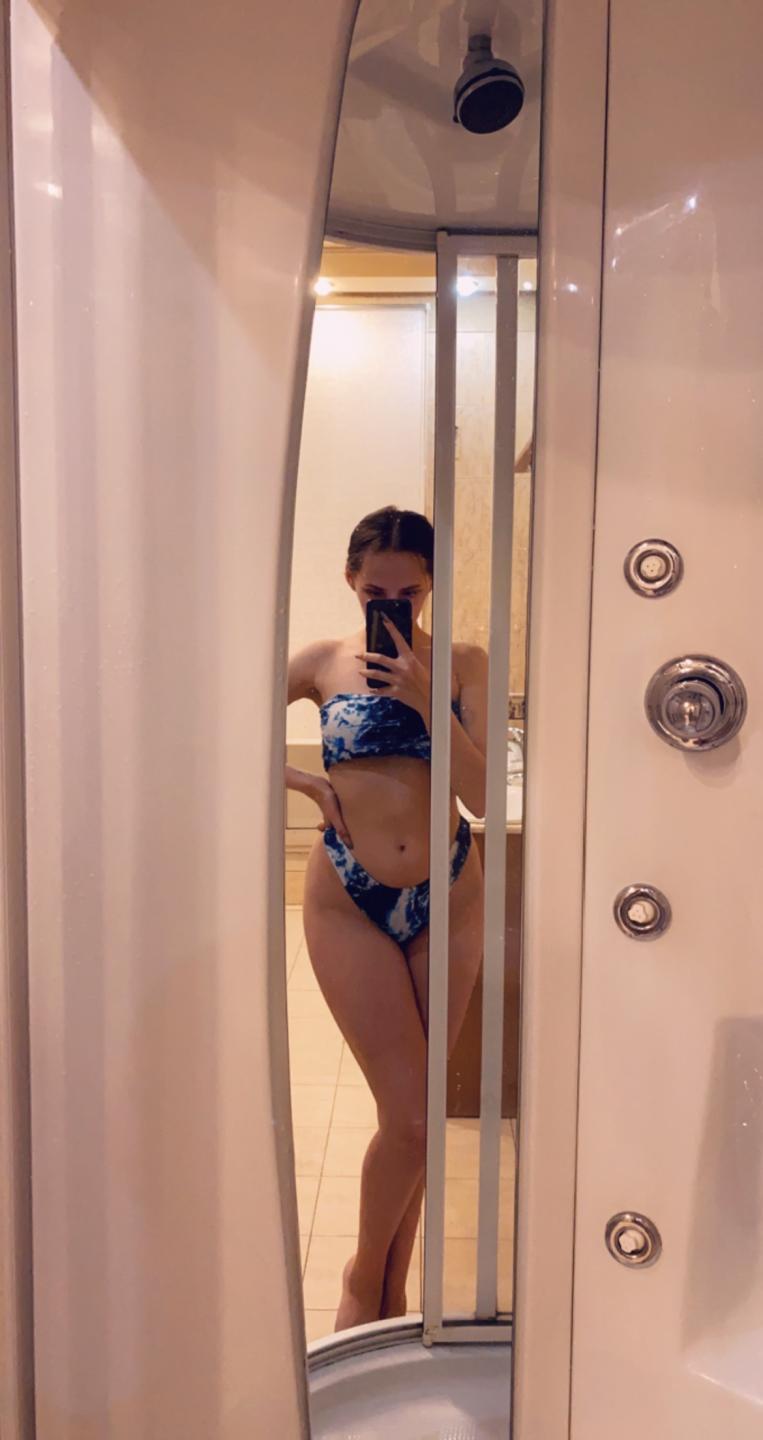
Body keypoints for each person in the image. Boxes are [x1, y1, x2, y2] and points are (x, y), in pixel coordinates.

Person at [286, 506, 487, 1330]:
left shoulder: (463, 664)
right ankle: (363, 1278)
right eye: (376, 593)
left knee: (419, 1119)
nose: (391, 606)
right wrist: (302, 783)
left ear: (430, 586)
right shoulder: (319, 662)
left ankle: (393, 1291)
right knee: (409, 1116)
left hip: (451, 895)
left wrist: (427, 698)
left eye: (408, 593)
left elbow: (482, 794)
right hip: (349, 899)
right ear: (351, 581)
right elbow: (210, 725)